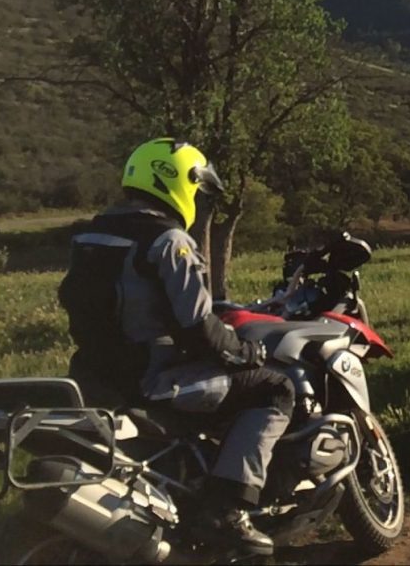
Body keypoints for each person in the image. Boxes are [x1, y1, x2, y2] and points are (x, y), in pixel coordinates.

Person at [58, 138, 292, 556]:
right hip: (153, 380)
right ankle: (227, 508)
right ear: (179, 182)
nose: (199, 200)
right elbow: (198, 328)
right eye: (198, 188)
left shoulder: (90, 235)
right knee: (274, 388)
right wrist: (245, 352)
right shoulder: (169, 241)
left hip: (94, 379)